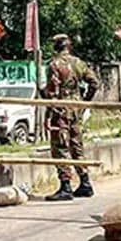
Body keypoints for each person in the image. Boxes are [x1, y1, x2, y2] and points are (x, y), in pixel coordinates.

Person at [43, 34, 99, 201]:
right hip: (76, 109)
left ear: (57, 47)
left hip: (60, 110)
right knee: (76, 145)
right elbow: (94, 83)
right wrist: (84, 102)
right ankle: (85, 183)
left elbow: (52, 93)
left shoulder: (54, 65)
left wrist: (48, 114)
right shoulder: (78, 63)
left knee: (60, 146)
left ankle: (65, 186)